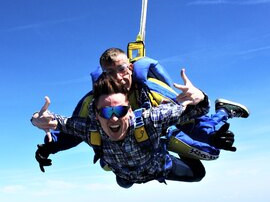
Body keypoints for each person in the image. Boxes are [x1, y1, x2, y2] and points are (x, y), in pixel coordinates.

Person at [32, 48, 249, 172]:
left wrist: (212, 135)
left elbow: (188, 117)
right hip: (127, 157)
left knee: (209, 153)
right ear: (102, 76)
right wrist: (50, 146)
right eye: (110, 72)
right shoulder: (93, 102)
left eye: (122, 69)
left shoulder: (152, 92)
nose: (117, 77)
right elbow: (79, 129)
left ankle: (224, 112)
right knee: (113, 170)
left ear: (131, 68)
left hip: (163, 135)